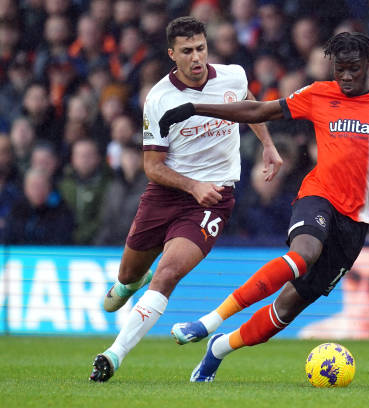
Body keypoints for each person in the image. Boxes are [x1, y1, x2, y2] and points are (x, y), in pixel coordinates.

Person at [159, 31, 369, 382]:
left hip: (356, 222)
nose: (344, 77)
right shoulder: (318, 94)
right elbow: (258, 109)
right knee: (304, 253)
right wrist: (194, 108)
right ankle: (209, 321)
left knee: (285, 309)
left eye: (353, 69)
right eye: (339, 69)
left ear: (368, 64)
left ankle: (219, 348)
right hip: (319, 195)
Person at [88, 16, 282, 383]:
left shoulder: (233, 76)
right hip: (167, 193)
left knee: (168, 274)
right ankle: (130, 283)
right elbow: (152, 167)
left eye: (201, 49)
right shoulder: (160, 99)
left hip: (215, 197)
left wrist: (268, 145)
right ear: (172, 54)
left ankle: (114, 354)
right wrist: (192, 185)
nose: (197, 58)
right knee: (128, 276)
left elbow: (248, 105)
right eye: (188, 51)